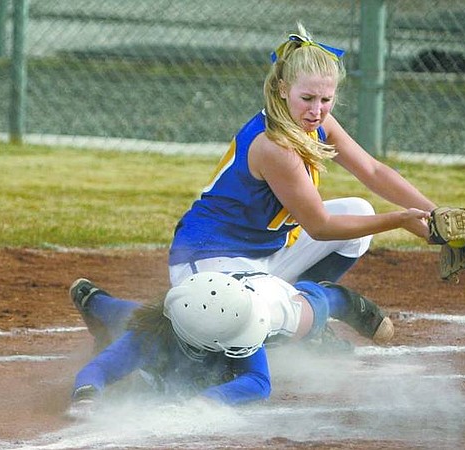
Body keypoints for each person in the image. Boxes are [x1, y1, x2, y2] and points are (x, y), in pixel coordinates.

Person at [168, 23, 437, 288]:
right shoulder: (274, 145)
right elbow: (320, 226)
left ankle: (304, 305)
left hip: (265, 254)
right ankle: (323, 306)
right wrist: (400, 220)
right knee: (260, 324)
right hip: (210, 260)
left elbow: (373, 170)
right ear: (283, 90)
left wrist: (436, 214)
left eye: (325, 99)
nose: (317, 110)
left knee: (358, 211)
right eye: (307, 98)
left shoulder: (318, 124)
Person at [66, 270, 393, 417]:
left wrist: (203, 402)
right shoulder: (150, 336)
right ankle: (94, 301)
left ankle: (334, 304)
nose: (245, 342)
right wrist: (86, 396)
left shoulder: (249, 320)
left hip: (259, 297)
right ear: (198, 342)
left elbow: (258, 382)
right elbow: (99, 369)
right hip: (203, 302)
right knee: (130, 317)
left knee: (313, 313)